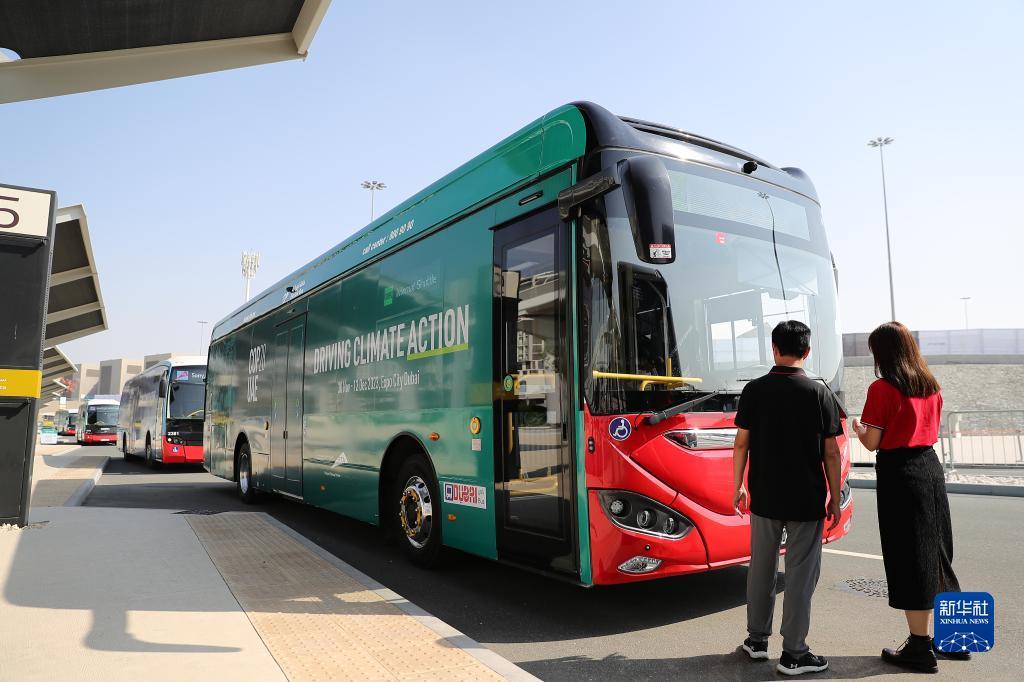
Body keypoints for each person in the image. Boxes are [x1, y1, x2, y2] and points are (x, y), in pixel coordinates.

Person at [851, 321, 965, 673]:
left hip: (900, 473)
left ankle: (919, 646)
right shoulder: (931, 385)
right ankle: (956, 638)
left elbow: (873, 442)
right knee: (938, 552)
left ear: (882, 353)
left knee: (911, 556)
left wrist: (858, 429)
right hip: (931, 467)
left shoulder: (882, 388)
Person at [732, 320, 844, 676]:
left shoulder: (754, 390)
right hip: (806, 499)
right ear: (807, 351)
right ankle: (794, 654)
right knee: (799, 576)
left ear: (774, 348)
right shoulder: (819, 393)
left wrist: (738, 485)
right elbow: (831, 453)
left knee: (761, 569)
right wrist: (834, 497)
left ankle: (756, 641)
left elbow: (741, 443)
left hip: (764, 495)